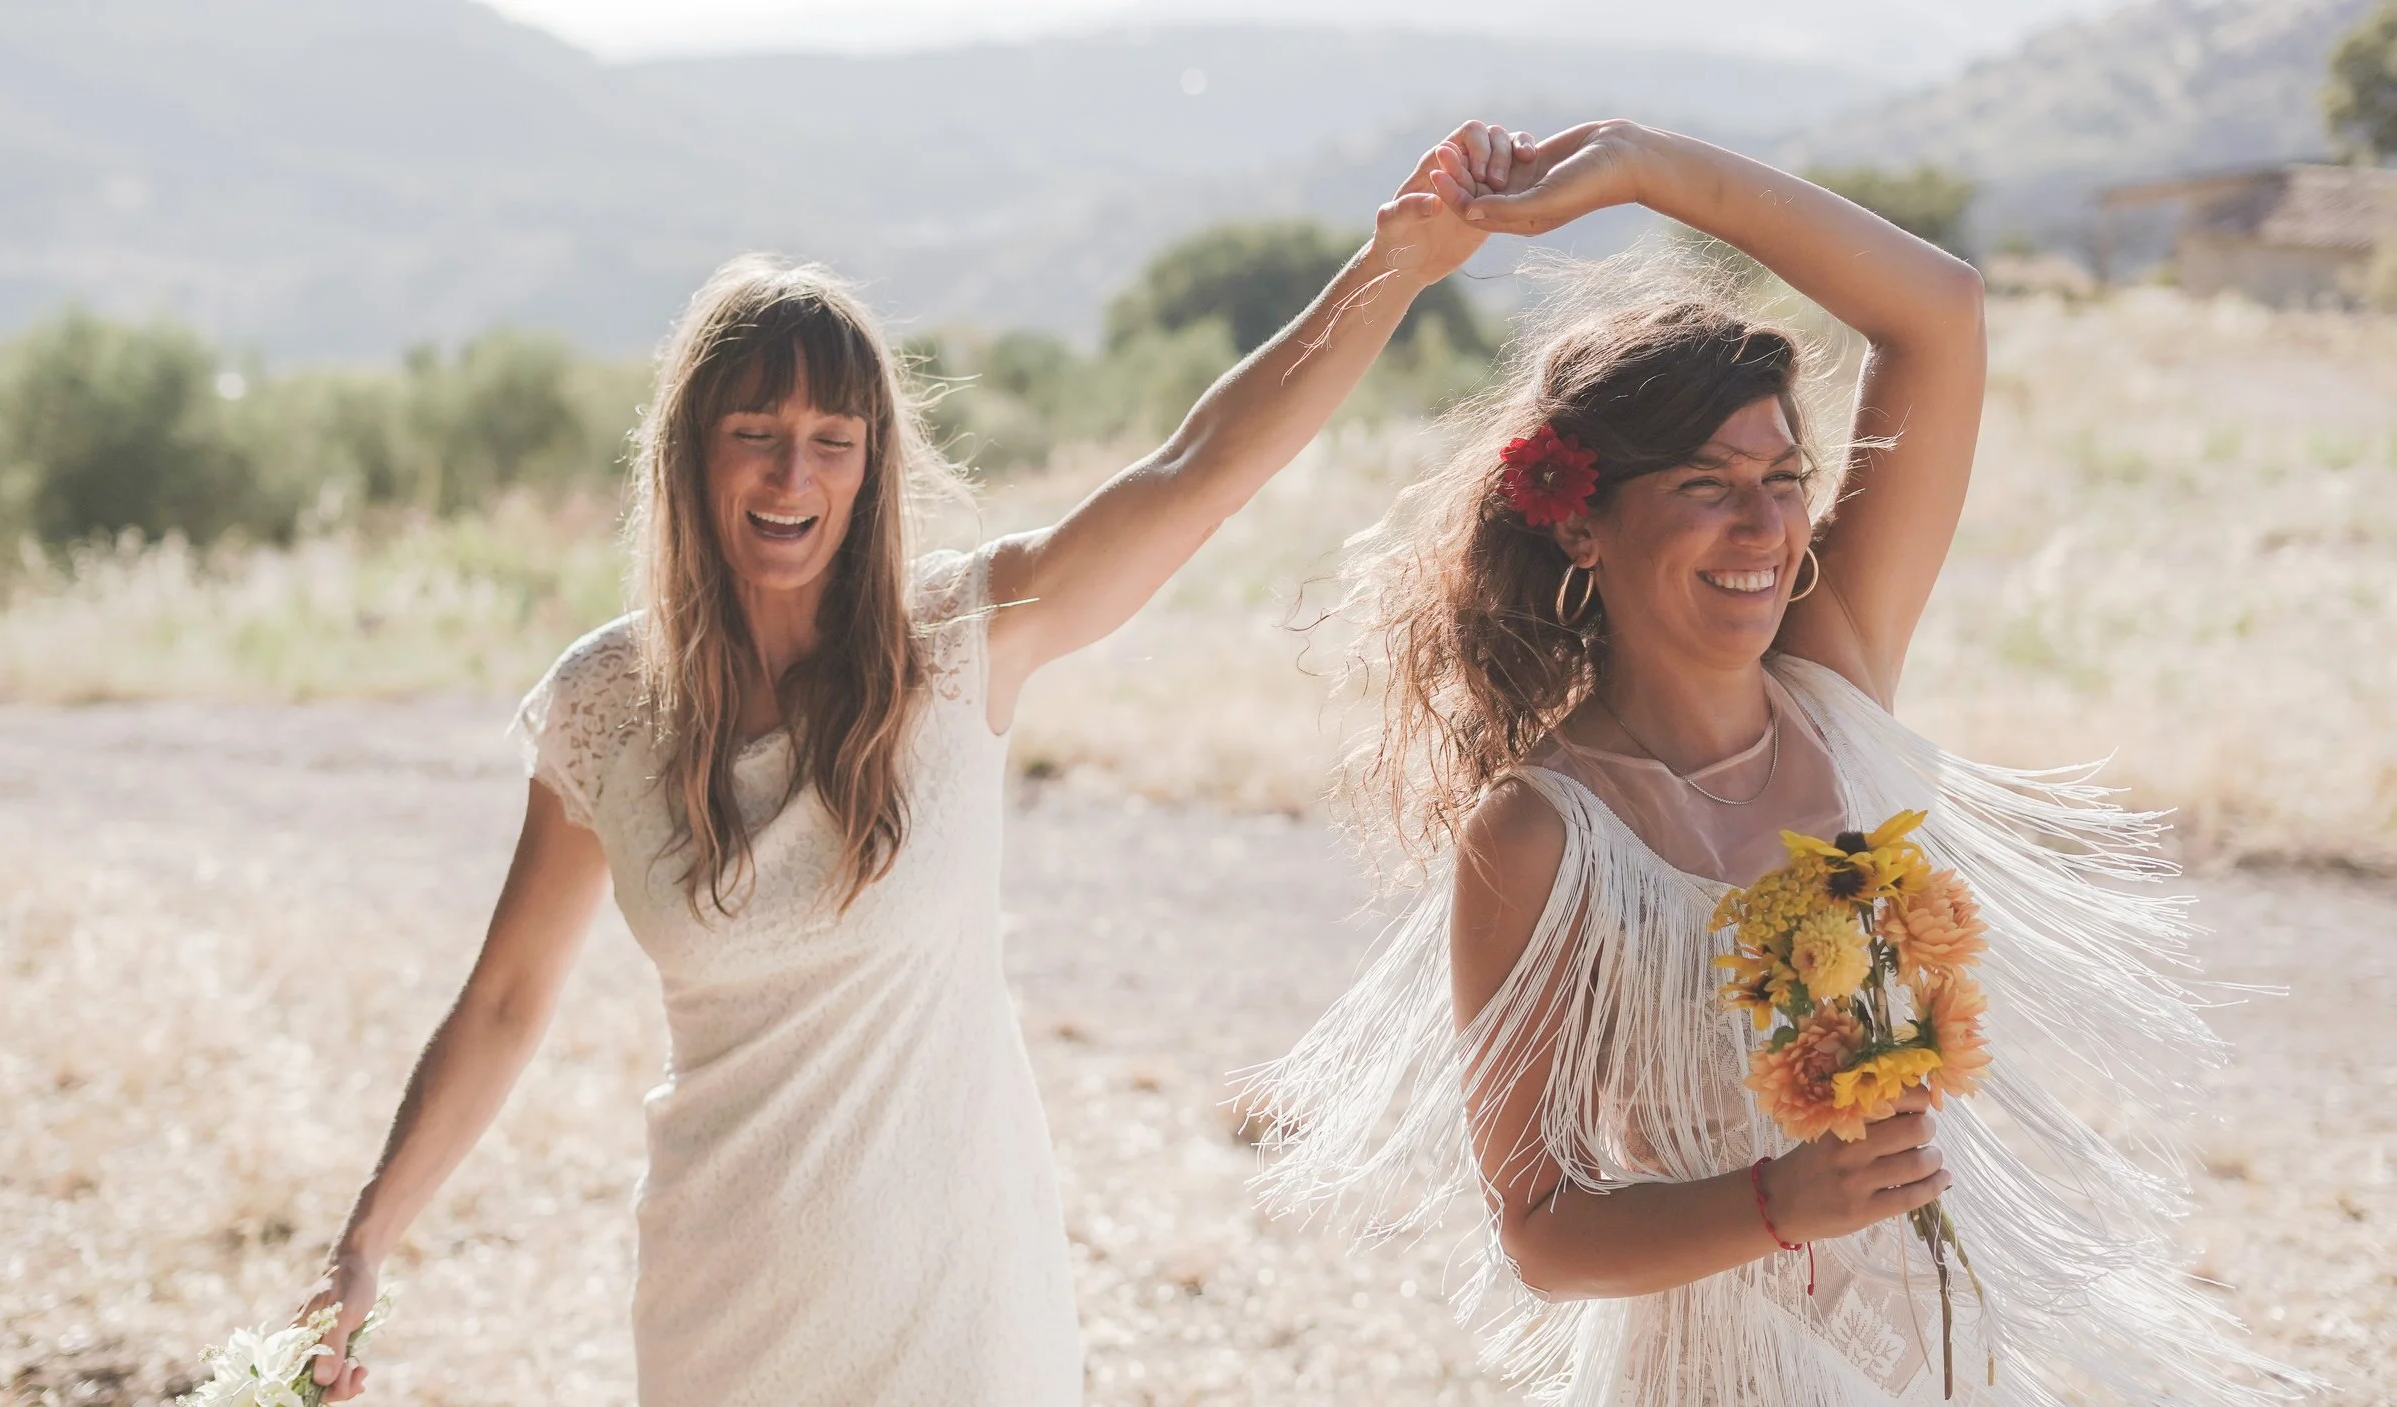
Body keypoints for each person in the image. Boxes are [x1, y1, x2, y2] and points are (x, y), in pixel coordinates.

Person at [291, 124, 1541, 1404]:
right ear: (689, 453)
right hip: (721, 1303)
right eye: (755, 432)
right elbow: (504, 1001)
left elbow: (1197, 470)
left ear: (874, 463)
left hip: (954, 1303)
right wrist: (363, 1243)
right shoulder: (607, 704)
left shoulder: (960, 641)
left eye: (834, 437)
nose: (794, 472)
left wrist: (1394, 266)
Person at [1249, 121, 2301, 1404]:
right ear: (1579, 517)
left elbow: (1941, 314)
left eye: (1784, 476)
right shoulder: (1540, 835)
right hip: (1712, 1374)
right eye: (1706, 482)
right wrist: (1777, 1202)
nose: (1763, 525)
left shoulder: (1833, 684)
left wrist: (1640, 167)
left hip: (1937, 1355)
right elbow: (1536, 1229)